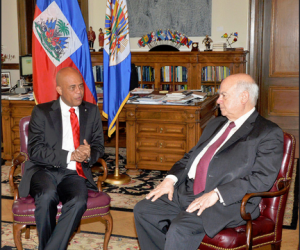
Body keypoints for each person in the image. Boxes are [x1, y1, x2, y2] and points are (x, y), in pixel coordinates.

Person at [134, 73, 283, 250]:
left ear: (244, 97)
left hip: (226, 202)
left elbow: (261, 178)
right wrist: (170, 180)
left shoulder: (267, 133)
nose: (218, 101)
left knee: (180, 229)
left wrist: (217, 194)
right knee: (144, 210)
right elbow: (191, 157)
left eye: (223, 95)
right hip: (188, 190)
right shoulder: (216, 124)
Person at [18, 67, 104, 250]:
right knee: (47, 195)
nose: (79, 91)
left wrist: (89, 154)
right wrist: (70, 155)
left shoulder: (92, 111)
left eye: (80, 86)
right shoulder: (41, 112)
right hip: (43, 169)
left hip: (74, 171)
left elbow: (99, 146)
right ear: (59, 90)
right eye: (72, 87)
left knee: (79, 200)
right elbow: (35, 150)